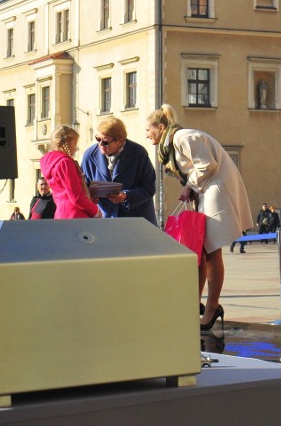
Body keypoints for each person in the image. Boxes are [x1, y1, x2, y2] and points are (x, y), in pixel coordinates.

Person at [146, 104, 254, 331]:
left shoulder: (183, 138)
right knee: (203, 252)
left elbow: (207, 165)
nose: (147, 134)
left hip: (216, 190)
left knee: (211, 251)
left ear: (161, 127)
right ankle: (194, 304)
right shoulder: (174, 142)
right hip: (209, 191)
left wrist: (189, 186)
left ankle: (212, 307)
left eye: (149, 129)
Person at [81, 117, 157, 224]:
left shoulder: (138, 153)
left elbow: (149, 187)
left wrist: (126, 196)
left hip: (135, 221)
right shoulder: (89, 155)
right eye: (98, 139)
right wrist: (90, 196)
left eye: (106, 142)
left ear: (120, 141)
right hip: (104, 219)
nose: (100, 145)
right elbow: (83, 186)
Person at [39, 126, 100, 219]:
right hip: (74, 213)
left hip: (61, 212)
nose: (76, 148)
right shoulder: (65, 162)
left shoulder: (52, 162)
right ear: (67, 142)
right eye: (75, 143)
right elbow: (76, 197)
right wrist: (95, 211)